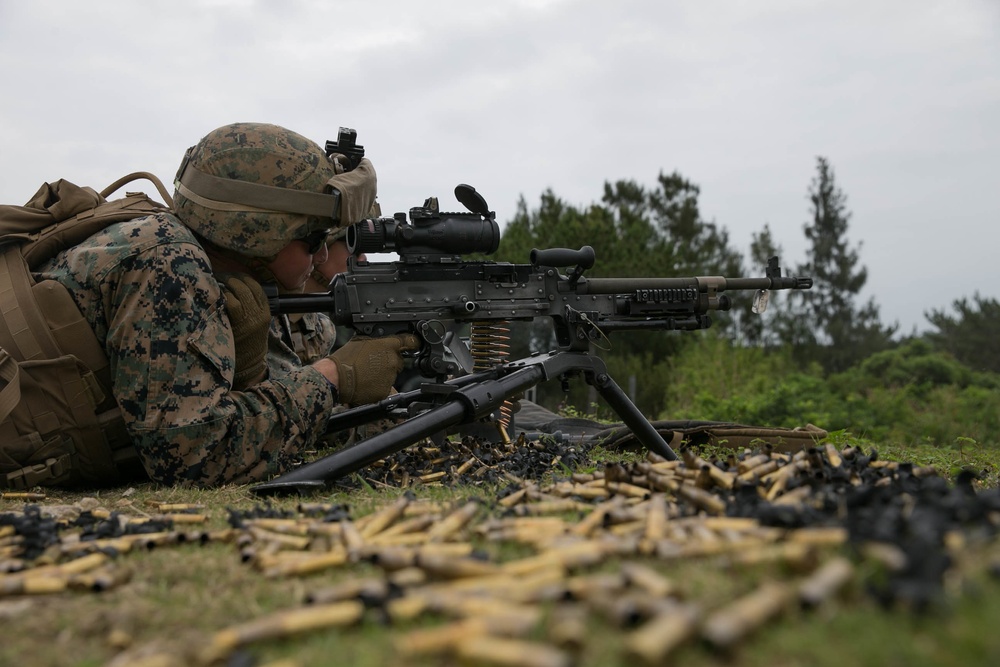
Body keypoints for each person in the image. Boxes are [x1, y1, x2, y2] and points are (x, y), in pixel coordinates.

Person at [31, 122, 418, 487]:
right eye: (313, 238)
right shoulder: (168, 261)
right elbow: (194, 457)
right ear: (258, 234)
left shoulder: (214, 272)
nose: (320, 257)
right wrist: (334, 374)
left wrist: (250, 375)